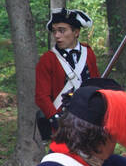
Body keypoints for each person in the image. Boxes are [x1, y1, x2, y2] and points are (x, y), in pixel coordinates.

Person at [33, 8, 99, 141]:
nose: (57, 35)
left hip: (89, 119)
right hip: (63, 122)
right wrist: (55, 120)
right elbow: (41, 96)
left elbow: (96, 83)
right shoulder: (48, 59)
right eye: (55, 31)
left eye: (62, 30)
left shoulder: (88, 53)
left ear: (76, 32)